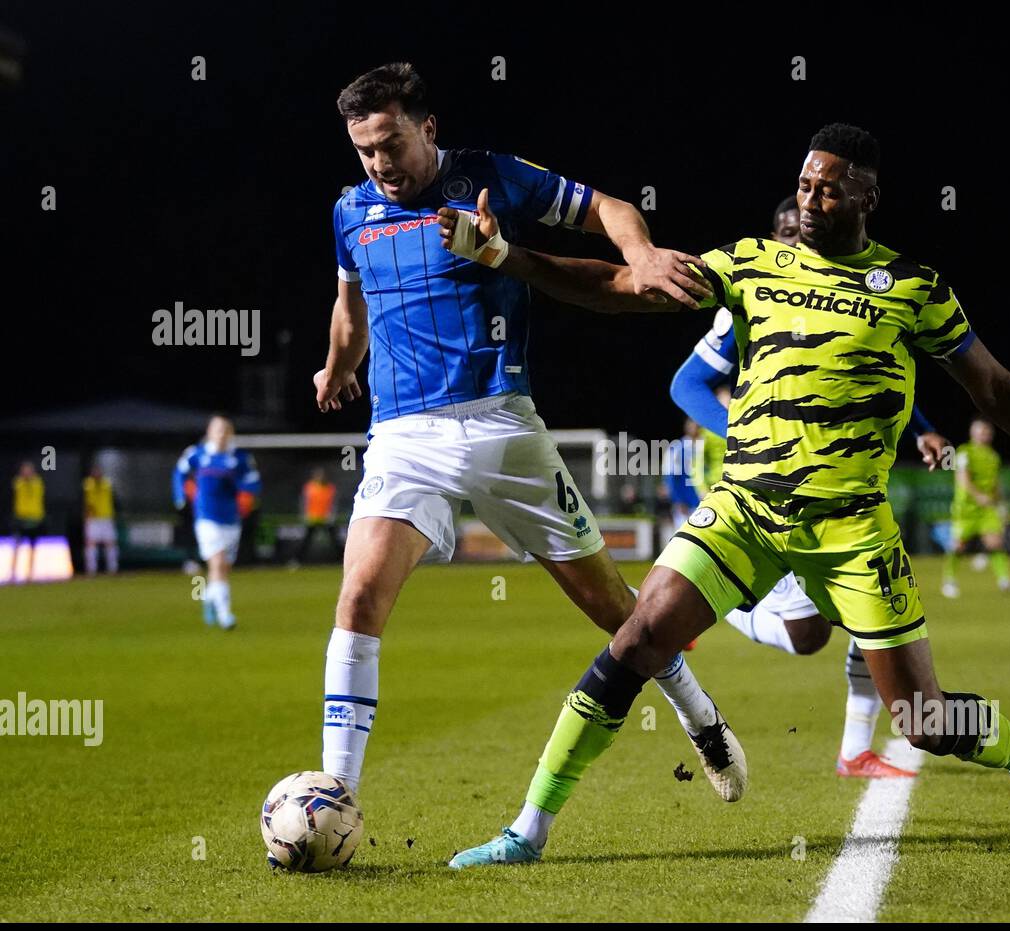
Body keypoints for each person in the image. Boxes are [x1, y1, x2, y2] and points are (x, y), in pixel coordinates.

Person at [442, 122, 1010, 865]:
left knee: (921, 719)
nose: (811, 200)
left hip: (851, 531)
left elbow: (997, 389)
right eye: (805, 184)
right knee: (639, 639)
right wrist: (501, 254)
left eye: (829, 187)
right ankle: (528, 830)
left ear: (867, 195)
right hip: (744, 508)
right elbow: (621, 287)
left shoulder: (913, 287)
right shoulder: (749, 262)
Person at [309, 63, 746, 837]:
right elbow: (350, 311)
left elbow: (606, 207)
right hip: (402, 439)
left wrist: (641, 257)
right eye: (364, 149)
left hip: (501, 429)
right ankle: (334, 798)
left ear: (427, 128)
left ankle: (700, 714)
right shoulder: (350, 211)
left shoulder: (493, 178)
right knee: (359, 598)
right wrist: (338, 365)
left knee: (615, 609)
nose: (379, 163)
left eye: (390, 142)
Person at [669, 195, 949, 778]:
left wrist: (922, 431)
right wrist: (747, 433)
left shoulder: (850, 289)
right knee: (806, 636)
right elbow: (687, 385)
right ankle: (708, 611)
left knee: (859, 621)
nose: (803, 240)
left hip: (843, 488)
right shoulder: (752, 293)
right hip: (765, 492)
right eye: (790, 232)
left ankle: (855, 749)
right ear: (776, 236)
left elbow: (876, 373)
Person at [172, 415, 261, 629]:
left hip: (231, 518)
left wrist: (247, 499)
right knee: (217, 563)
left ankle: (209, 598)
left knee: (222, 568)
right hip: (206, 517)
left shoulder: (240, 458)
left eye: (224, 430)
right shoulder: (198, 454)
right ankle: (225, 615)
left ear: (230, 434)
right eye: (216, 429)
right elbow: (179, 472)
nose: (220, 434)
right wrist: (180, 495)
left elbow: (253, 482)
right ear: (209, 432)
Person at [941, 418, 1010, 599]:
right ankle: (949, 581)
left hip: (987, 509)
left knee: (995, 543)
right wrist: (979, 496)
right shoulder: (964, 452)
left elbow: (995, 483)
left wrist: (1000, 503)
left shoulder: (993, 456)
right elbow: (963, 479)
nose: (984, 435)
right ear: (972, 433)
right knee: (958, 546)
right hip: (966, 509)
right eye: (980, 431)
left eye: (986, 432)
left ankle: (1004, 581)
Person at [293, 467, 341, 565]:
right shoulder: (309, 487)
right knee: (306, 541)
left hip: (326, 518)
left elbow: (334, 503)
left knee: (335, 541)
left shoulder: (330, 488)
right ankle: (296, 561)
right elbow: (304, 502)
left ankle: (342, 559)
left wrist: (332, 515)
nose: (320, 477)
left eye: (322, 475)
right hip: (312, 518)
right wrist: (304, 514)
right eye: (318, 475)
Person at [10, 460, 45, 583]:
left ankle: (30, 574)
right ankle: (13, 573)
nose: (26, 473)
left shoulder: (37, 482)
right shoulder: (18, 482)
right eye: (24, 470)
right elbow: (20, 484)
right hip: (21, 519)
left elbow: (34, 485)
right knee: (17, 546)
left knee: (32, 547)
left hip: (34, 520)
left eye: (28, 470)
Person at [82, 464, 119, 575]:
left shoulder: (107, 484)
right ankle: (91, 570)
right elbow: (84, 501)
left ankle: (113, 569)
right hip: (93, 519)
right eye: (94, 472)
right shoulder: (87, 484)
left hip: (107, 517)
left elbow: (115, 500)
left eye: (98, 472)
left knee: (110, 543)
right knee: (91, 544)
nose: (96, 474)